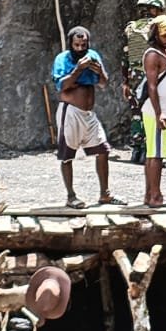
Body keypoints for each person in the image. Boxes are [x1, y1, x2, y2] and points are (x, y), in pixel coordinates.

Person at [52, 26, 119, 208]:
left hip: (88, 114)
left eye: (84, 45)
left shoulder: (93, 55)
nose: (80, 48)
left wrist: (100, 71)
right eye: (77, 45)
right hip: (70, 112)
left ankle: (105, 194)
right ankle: (71, 196)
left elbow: (103, 84)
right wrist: (78, 69)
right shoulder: (62, 59)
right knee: (67, 155)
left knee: (103, 150)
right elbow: (62, 86)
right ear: (71, 44)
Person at [141, 15, 166, 207]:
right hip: (155, 111)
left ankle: (150, 194)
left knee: (154, 153)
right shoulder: (153, 55)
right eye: (165, 35)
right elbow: (152, 86)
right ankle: (155, 196)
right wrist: (159, 113)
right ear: (156, 34)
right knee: (156, 154)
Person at [122, 0, 165, 164]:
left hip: (133, 75)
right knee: (153, 111)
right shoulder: (157, 27)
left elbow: (125, 56)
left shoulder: (131, 28)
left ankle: (136, 151)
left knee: (136, 113)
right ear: (154, 9)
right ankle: (149, 150)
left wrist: (125, 82)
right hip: (151, 74)